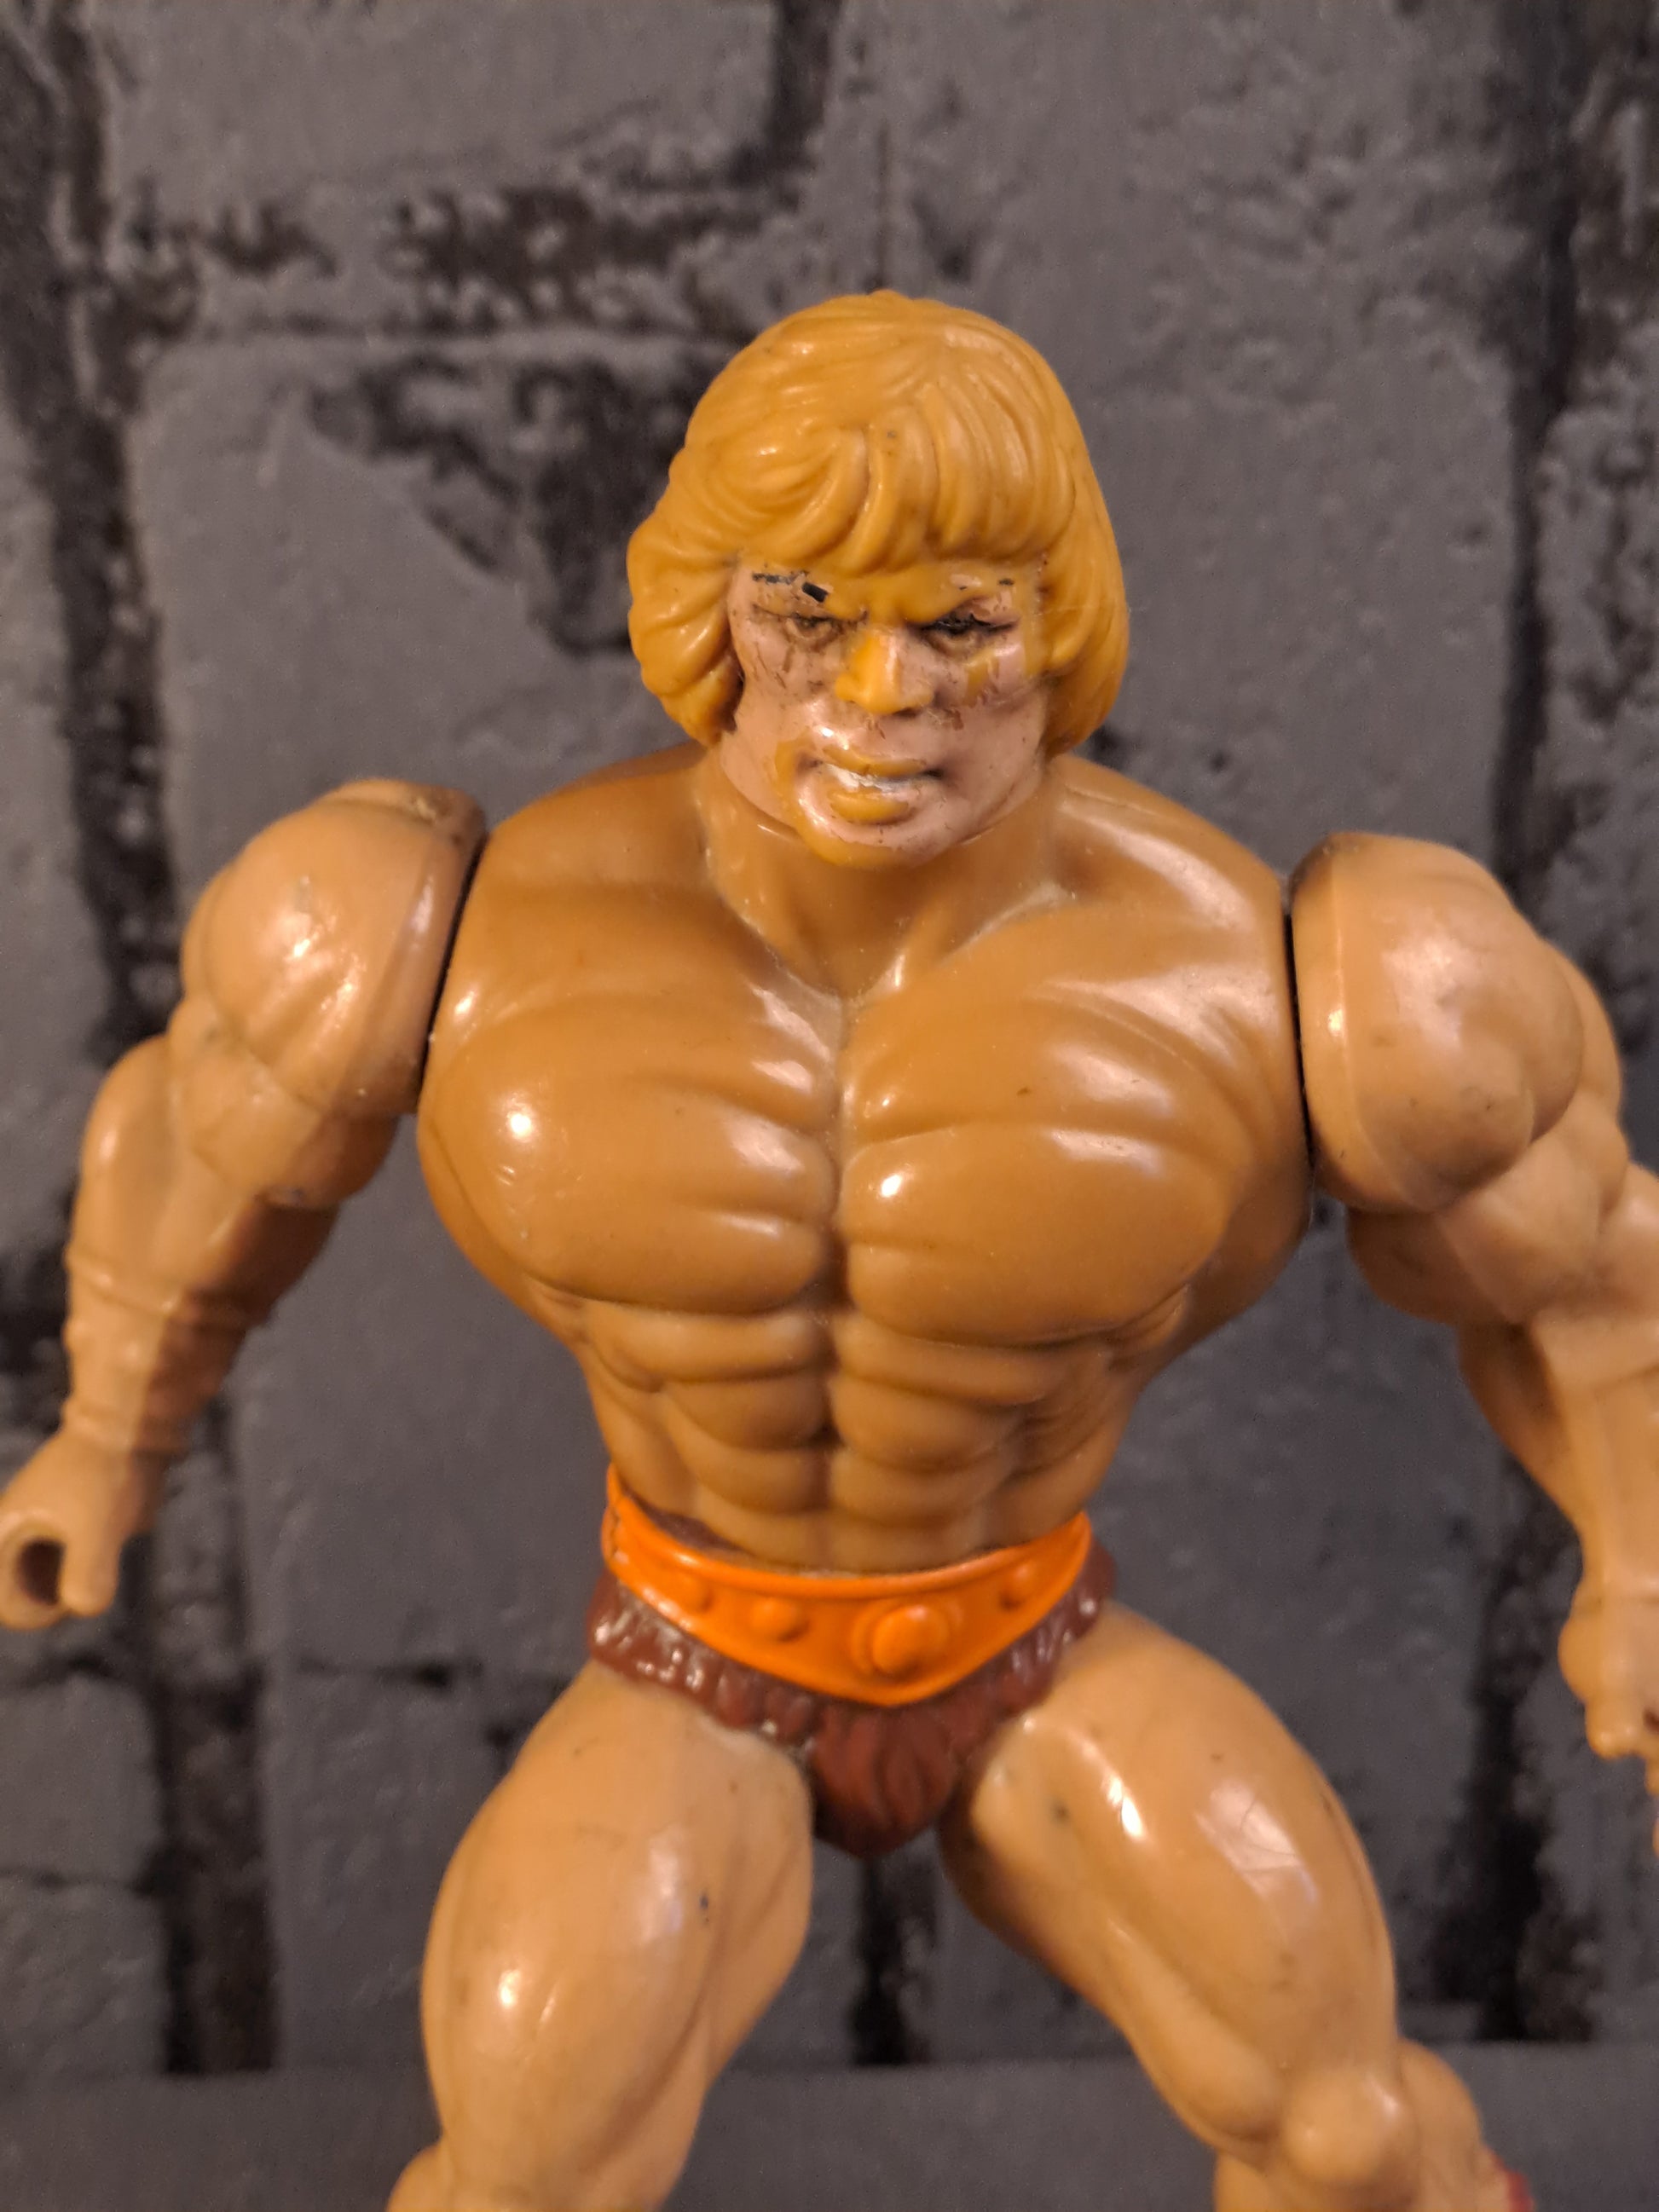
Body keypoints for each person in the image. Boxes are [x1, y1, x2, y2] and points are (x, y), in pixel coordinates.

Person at [3, 292, 1653, 2212]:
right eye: (806, 613)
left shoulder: (1313, 987)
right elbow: (203, 1155)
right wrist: (100, 1444)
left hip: (1028, 1631)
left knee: (1353, 2139)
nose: (880, 694)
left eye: (959, 627)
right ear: (708, 611)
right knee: (525, 2179)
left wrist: (1636, 1559)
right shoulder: (429, 932)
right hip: (693, 1649)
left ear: (1058, 633)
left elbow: (1585, 1273)